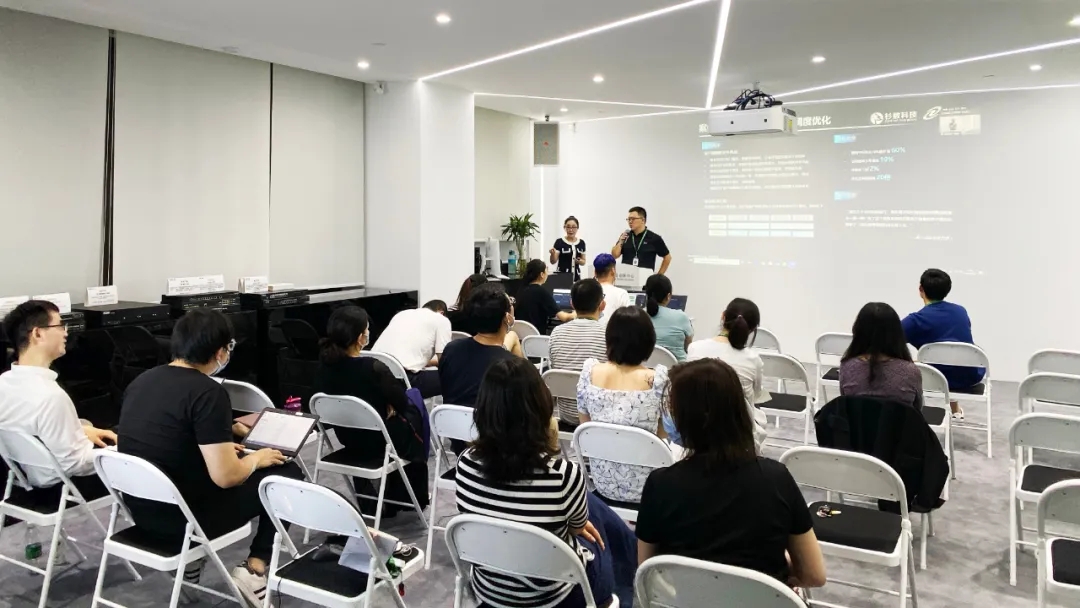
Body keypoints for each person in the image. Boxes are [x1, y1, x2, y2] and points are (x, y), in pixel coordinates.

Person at [118, 309, 303, 607]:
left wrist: (224, 446)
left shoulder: (142, 381)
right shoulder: (207, 392)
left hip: (141, 511)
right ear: (219, 352)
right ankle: (255, 569)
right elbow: (227, 477)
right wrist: (257, 459)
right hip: (187, 522)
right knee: (287, 474)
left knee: (248, 462)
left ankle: (193, 562)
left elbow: (170, 439)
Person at [456, 358, 636, 608]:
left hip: (491, 588)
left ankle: (632, 553)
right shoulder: (563, 475)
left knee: (590, 510)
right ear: (541, 406)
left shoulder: (465, 463)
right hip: (554, 596)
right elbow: (576, 529)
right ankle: (626, 581)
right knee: (598, 528)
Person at [636, 359, 826, 590]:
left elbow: (647, 571)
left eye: (672, 410)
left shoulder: (660, 485)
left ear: (689, 419)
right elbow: (814, 575)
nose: (668, 418)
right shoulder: (776, 479)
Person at [314, 306, 428, 518]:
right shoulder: (373, 367)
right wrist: (391, 404)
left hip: (347, 437)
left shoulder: (323, 368)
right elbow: (402, 403)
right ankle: (408, 496)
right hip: (381, 442)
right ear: (360, 338)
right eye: (366, 329)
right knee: (415, 408)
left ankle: (375, 498)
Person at [0, 300, 115, 501]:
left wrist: (79, 429)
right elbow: (76, 464)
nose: (65, 332)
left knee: (91, 425)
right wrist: (118, 453)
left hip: (25, 477)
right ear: (38, 333)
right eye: (60, 325)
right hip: (63, 486)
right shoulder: (51, 396)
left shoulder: (5, 382)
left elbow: (35, 431)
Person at [577, 306, 667, 503]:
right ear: (649, 341)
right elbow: (662, 436)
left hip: (601, 481)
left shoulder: (589, 373)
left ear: (609, 339)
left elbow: (585, 427)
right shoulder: (658, 380)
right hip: (647, 488)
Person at [682, 297, 769, 450]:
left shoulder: (694, 349)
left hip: (696, 432)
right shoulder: (753, 359)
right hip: (738, 437)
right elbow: (755, 395)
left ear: (723, 316)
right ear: (752, 329)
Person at [901, 268, 983, 419]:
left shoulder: (915, 320)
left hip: (934, 379)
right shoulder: (960, 311)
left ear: (921, 289)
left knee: (907, 365)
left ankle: (909, 411)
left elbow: (888, 340)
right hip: (970, 376)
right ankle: (955, 409)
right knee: (950, 357)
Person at [439, 283, 522, 411]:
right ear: (507, 318)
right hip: (493, 424)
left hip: (451, 422)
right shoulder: (513, 365)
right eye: (510, 303)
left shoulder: (451, 349)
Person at [841, 302, 923, 411]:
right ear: (897, 333)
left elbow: (845, 407)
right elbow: (917, 411)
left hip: (857, 422)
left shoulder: (847, 367)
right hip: (898, 422)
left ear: (858, 331)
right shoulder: (911, 372)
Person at [549, 278, 608, 426]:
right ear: (602, 305)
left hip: (566, 416)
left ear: (572, 304)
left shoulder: (556, 333)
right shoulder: (609, 334)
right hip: (599, 418)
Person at [371, 299, 451, 398]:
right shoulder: (441, 320)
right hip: (402, 381)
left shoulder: (402, 314)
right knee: (456, 377)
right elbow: (444, 362)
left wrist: (431, 362)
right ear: (441, 312)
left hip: (373, 374)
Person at [515, 259, 576, 335]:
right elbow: (564, 318)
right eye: (546, 271)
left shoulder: (521, 290)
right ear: (542, 274)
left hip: (520, 336)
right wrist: (575, 313)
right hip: (537, 336)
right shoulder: (541, 292)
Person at [642, 274, 693, 361]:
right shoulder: (681, 317)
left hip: (644, 367)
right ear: (668, 296)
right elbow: (688, 346)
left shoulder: (637, 316)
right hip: (678, 369)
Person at [611, 206, 671, 274]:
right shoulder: (625, 236)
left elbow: (667, 257)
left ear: (643, 220)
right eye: (629, 219)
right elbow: (614, 255)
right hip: (627, 277)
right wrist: (620, 242)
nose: (630, 221)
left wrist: (658, 276)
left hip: (645, 278)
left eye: (633, 219)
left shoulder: (654, 238)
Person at [592, 253, 633, 324]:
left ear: (595, 272)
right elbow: (628, 321)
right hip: (613, 331)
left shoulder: (588, 292)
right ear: (613, 271)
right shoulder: (621, 294)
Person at [550, 215, 587, 281]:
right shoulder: (559, 242)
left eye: (573, 227)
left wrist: (579, 261)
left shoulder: (581, 243)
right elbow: (553, 261)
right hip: (562, 277)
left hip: (576, 277)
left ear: (577, 228)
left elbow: (583, 261)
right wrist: (552, 254)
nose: (571, 230)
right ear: (565, 227)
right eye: (568, 227)